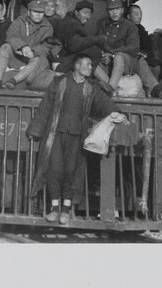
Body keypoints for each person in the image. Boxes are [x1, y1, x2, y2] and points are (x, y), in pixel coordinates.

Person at [26, 54, 125, 224]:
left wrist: (117, 112)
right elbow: (45, 107)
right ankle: (54, 209)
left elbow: (104, 103)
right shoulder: (59, 83)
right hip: (55, 134)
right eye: (87, 64)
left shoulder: (91, 88)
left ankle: (65, 210)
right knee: (54, 170)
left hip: (77, 138)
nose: (90, 68)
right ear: (77, 66)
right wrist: (36, 130)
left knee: (71, 172)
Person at [96, 0, 162, 98]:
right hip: (109, 61)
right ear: (107, 11)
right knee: (90, 60)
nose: (114, 12)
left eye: (117, 9)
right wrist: (103, 55)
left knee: (119, 57)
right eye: (111, 10)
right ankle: (111, 88)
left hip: (126, 61)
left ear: (122, 10)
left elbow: (133, 47)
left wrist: (112, 54)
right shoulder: (102, 24)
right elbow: (99, 42)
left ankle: (110, 88)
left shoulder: (130, 26)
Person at [0, 0, 53, 89]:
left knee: (39, 59)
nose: (38, 15)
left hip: (32, 58)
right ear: (29, 12)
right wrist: (23, 46)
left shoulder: (47, 27)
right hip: (18, 55)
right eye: (35, 11)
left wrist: (33, 52)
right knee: (5, 47)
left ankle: (13, 81)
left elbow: (46, 46)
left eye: (41, 12)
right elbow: (11, 35)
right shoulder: (19, 22)